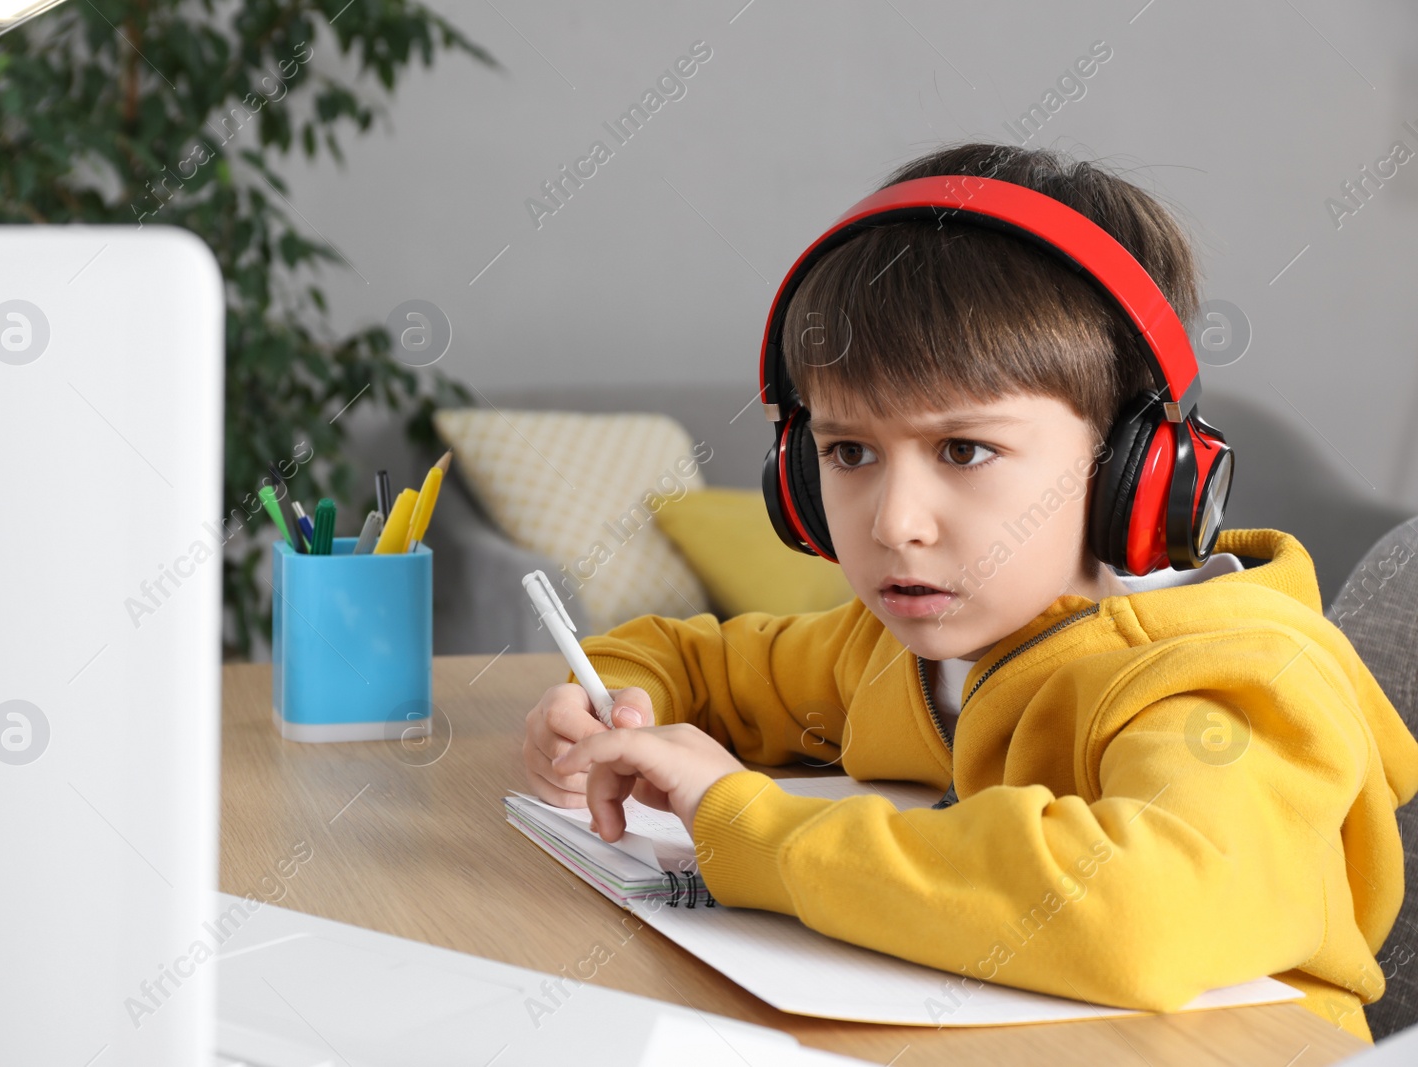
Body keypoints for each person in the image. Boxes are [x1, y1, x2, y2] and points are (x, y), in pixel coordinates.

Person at [520, 141, 1418, 1041]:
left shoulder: (1231, 686)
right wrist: (606, 700)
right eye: (849, 452)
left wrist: (750, 828)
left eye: (963, 450)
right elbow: (700, 660)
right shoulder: (892, 649)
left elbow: (1137, 911)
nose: (892, 523)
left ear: (1135, 469)